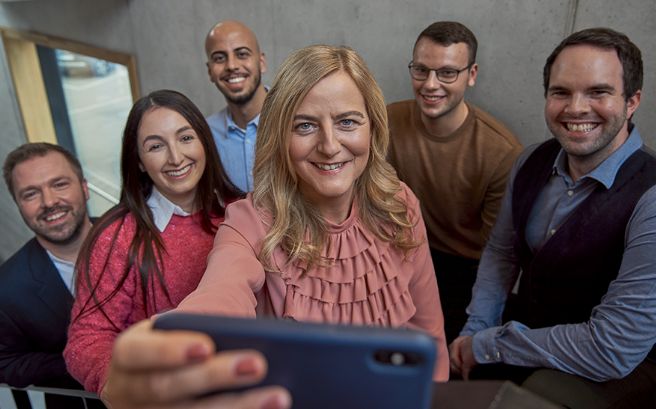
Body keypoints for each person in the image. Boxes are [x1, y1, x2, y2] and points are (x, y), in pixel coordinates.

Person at [100, 44, 449, 408]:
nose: (330, 146)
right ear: (281, 137)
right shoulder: (250, 222)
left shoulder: (400, 205)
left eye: (347, 121)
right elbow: (220, 295)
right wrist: (167, 350)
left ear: (373, 128)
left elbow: (428, 328)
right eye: (305, 125)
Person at [449, 28, 656, 408]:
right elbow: (502, 253)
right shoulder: (531, 160)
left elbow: (613, 347)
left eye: (598, 92)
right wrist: (474, 331)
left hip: (617, 366)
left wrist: (488, 345)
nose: (575, 108)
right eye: (561, 92)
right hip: (533, 333)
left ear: (632, 101)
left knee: (531, 399)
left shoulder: (652, 196)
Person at [64, 90, 242, 395]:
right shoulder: (117, 236)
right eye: (156, 146)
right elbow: (86, 338)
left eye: (186, 138)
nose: (175, 157)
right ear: (141, 162)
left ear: (204, 142)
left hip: (245, 384)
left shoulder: (241, 212)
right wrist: (126, 387)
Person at [387, 21, 522, 342]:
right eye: (421, 70)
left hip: (463, 269)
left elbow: (497, 254)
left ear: (471, 75)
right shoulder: (386, 120)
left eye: (447, 73)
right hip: (397, 251)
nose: (430, 84)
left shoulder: (500, 151)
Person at [0, 143, 102, 409]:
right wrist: (80, 361)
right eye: (31, 194)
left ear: (84, 187)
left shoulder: (136, 237)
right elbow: (6, 363)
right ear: (18, 206)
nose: (49, 202)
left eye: (59, 184)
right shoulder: (7, 288)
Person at [205, 19, 268, 192]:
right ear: (210, 71)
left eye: (242, 54)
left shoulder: (295, 120)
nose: (231, 66)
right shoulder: (204, 136)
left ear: (261, 63)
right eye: (219, 58)